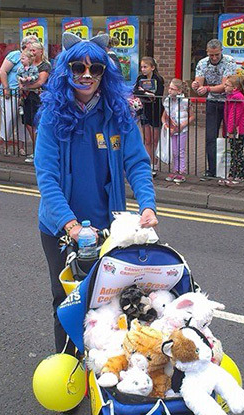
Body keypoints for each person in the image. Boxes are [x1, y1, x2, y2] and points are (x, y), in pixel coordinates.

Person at [34, 32, 158, 357]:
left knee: (106, 301)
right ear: (66, 70)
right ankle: (68, 368)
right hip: (61, 230)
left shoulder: (118, 114)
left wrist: (147, 204)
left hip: (107, 227)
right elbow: (47, 178)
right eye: (78, 68)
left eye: (95, 69)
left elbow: (137, 163)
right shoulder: (52, 117)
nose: (87, 76)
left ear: (105, 73)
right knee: (67, 300)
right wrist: (70, 225)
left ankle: (101, 364)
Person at [191, 39, 236, 180]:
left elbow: (224, 85)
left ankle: (231, 170)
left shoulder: (229, 61)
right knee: (211, 137)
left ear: (221, 51)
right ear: (207, 53)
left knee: (231, 135)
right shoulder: (202, 63)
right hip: (212, 102)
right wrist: (195, 86)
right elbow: (199, 82)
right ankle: (212, 170)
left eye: (217, 54)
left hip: (228, 102)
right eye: (211, 55)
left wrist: (207, 88)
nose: (214, 58)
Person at [0, 35, 38, 155]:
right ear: (25, 45)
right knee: (9, 119)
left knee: (23, 122)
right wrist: (6, 88)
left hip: (24, 94)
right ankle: (5, 146)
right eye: (33, 44)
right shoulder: (15, 55)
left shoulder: (32, 58)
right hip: (11, 92)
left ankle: (21, 147)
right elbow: (2, 71)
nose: (34, 47)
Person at [133, 57, 164, 176]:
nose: (143, 69)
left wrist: (148, 93)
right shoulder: (140, 78)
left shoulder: (158, 79)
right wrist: (146, 93)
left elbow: (158, 94)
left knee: (155, 139)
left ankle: (154, 164)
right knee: (147, 139)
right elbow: (136, 91)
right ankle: (147, 164)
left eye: (145, 67)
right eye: (141, 67)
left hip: (156, 110)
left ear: (153, 67)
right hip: (145, 109)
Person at [20, 41, 51, 163]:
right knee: (28, 123)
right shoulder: (29, 64)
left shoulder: (45, 65)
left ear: (41, 51)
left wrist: (26, 86)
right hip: (28, 97)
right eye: (30, 50)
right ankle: (36, 150)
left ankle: (40, 152)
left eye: (34, 50)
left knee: (37, 124)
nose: (31, 52)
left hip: (39, 97)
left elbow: (40, 82)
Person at [161, 78, 195, 183]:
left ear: (179, 91)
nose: (169, 91)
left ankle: (181, 171)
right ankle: (175, 170)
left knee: (180, 151)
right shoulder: (168, 101)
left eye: (172, 89)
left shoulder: (185, 102)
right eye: (169, 88)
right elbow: (164, 117)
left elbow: (192, 116)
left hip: (182, 130)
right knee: (174, 151)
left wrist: (183, 124)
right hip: (172, 129)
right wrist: (166, 126)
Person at [220, 75, 244, 186]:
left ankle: (238, 176)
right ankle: (232, 175)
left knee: (237, 154)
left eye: (227, 85)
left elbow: (234, 116)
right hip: (235, 130)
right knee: (234, 153)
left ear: (235, 87)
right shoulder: (232, 96)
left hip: (237, 131)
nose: (225, 87)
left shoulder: (236, 98)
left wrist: (231, 131)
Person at [16, 50, 39, 116]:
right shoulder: (20, 68)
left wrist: (31, 78)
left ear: (29, 59)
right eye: (21, 59)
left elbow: (37, 75)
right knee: (21, 98)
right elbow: (17, 75)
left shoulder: (34, 68)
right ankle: (21, 107)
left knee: (32, 102)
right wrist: (20, 79)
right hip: (23, 87)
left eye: (23, 59)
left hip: (32, 89)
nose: (21, 60)